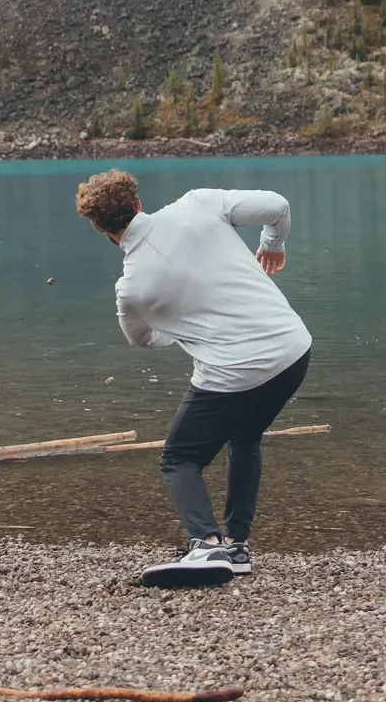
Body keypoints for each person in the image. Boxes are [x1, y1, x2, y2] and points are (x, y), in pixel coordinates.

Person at [75, 169, 309, 588]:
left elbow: (142, 339)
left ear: (98, 228)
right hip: (292, 350)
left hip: (232, 373)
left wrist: (182, 326)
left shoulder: (131, 289)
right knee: (245, 434)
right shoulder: (198, 203)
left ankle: (207, 543)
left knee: (179, 459)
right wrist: (272, 245)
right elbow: (278, 206)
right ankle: (236, 547)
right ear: (138, 202)